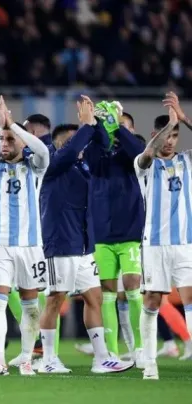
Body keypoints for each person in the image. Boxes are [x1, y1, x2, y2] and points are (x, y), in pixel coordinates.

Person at [38, 96, 133, 374]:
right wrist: (86, 126)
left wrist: (100, 123)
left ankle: (101, 358)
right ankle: (48, 359)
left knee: (94, 298)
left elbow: (102, 144)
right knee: (56, 298)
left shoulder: (83, 165)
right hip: (61, 243)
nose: (80, 146)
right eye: (74, 141)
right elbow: (71, 151)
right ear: (59, 143)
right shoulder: (52, 164)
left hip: (83, 246)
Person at [0, 97, 50, 376]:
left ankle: (28, 359)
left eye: (9, 140)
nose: (4, 144)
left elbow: (43, 150)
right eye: (2, 140)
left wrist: (16, 128)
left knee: (30, 305)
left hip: (30, 246)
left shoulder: (36, 167)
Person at [135, 92, 192, 380]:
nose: (170, 141)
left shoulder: (187, 162)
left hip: (185, 243)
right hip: (154, 244)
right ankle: (149, 363)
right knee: (153, 301)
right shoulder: (143, 164)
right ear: (155, 135)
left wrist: (183, 119)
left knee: (190, 297)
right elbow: (149, 153)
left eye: (175, 135)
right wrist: (168, 125)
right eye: (166, 135)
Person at [84, 107, 145, 366]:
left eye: (123, 125)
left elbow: (137, 153)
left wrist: (118, 126)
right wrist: (101, 130)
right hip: (101, 234)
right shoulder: (99, 149)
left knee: (132, 285)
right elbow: (90, 158)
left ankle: (141, 349)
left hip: (130, 231)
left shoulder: (137, 147)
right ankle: (111, 351)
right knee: (107, 292)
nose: (116, 127)